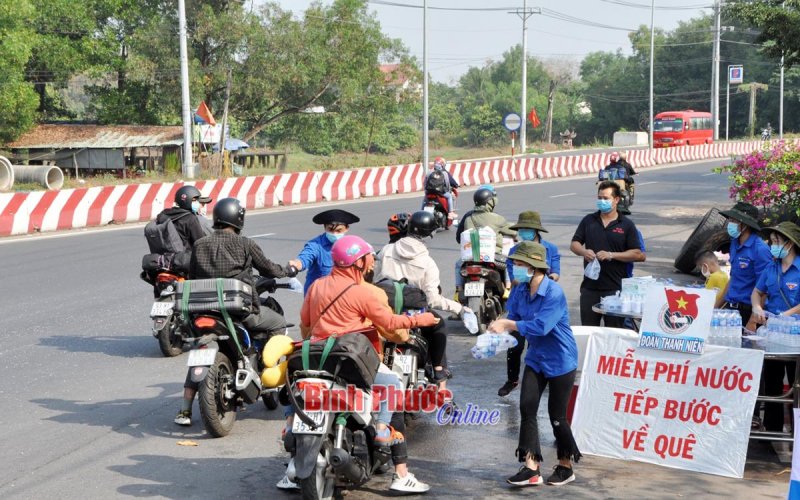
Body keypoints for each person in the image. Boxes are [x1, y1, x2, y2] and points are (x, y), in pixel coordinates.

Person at [299, 235, 438, 493]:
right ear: (359, 262)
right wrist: (421, 321)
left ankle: (290, 468)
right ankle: (396, 463)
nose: (371, 261)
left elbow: (305, 324)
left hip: (319, 357)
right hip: (353, 361)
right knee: (393, 384)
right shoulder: (366, 292)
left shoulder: (317, 286)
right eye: (368, 257)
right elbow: (390, 324)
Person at [174, 198, 297, 427]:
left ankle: (184, 410)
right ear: (238, 219)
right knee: (278, 323)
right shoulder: (244, 244)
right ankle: (269, 373)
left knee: (198, 352)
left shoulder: (200, 244)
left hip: (205, 312)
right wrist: (287, 270)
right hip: (240, 313)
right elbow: (268, 268)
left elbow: (192, 275)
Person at [487, 241, 581, 487]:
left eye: (518, 264)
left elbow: (541, 326)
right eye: (514, 263)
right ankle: (531, 467)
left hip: (561, 360)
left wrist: (508, 325)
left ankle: (565, 466)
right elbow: (514, 318)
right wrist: (496, 334)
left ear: (534, 267)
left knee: (557, 416)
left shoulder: (553, 293)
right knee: (527, 408)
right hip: (536, 358)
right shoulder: (519, 290)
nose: (514, 268)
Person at [378, 211, 469, 391]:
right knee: (439, 325)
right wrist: (459, 308)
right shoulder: (427, 262)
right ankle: (439, 375)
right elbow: (433, 300)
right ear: (430, 234)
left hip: (385, 311)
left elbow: (373, 280)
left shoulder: (386, 251)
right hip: (414, 313)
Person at [499, 211, 561, 397]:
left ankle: (547, 377)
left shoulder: (551, 249)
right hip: (520, 302)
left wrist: (546, 278)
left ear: (535, 230)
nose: (523, 232)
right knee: (515, 345)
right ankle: (512, 380)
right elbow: (515, 279)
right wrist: (526, 273)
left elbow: (556, 273)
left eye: (527, 229)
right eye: (521, 229)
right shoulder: (514, 251)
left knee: (541, 342)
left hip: (541, 302)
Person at [570, 180, 645, 327]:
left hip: (615, 291)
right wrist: (584, 251)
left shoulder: (626, 225)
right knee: (589, 331)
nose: (601, 201)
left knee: (614, 333)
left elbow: (638, 255)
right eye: (599, 198)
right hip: (589, 289)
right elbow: (574, 244)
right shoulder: (589, 220)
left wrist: (612, 255)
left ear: (616, 200)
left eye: (605, 198)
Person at [748, 222, 800, 434]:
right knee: (772, 382)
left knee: (796, 386)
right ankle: (771, 432)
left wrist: (787, 316)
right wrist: (756, 306)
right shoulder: (772, 267)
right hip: (772, 334)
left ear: (790, 244)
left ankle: (797, 436)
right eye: (772, 241)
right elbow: (757, 291)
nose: (773, 245)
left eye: (777, 242)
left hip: (795, 336)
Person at [716, 202, 771, 320]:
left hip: (749, 310)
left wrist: (753, 321)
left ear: (745, 225)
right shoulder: (735, 243)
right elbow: (733, 278)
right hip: (731, 308)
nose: (730, 224)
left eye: (734, 221)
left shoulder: (760, 249)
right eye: (730, 220)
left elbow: (764, 289)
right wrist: (716, 308)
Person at [454, 187, 514, 292]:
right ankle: (508, 288)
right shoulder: (497, 218)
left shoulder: (469, 218)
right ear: (490, 202)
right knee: (510, 262)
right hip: (493, 256)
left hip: (471, 257)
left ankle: (458, 289)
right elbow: (512, 231)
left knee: (458, 265)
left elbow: (460, 236)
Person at [288, 209, 360, 295]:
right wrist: (296, 264)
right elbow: (304, 259)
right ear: (325, 227)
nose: (334, 234)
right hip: (318, 297)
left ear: (346, 228)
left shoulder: (352, 246)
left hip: (343, 295)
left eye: (338, 231)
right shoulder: (315, 245)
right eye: (330, 230)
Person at [616, 205, 646, 278]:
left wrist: (613, 255)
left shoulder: (632, 231)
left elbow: (641, 256)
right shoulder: (598, 228)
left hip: (622, 275)